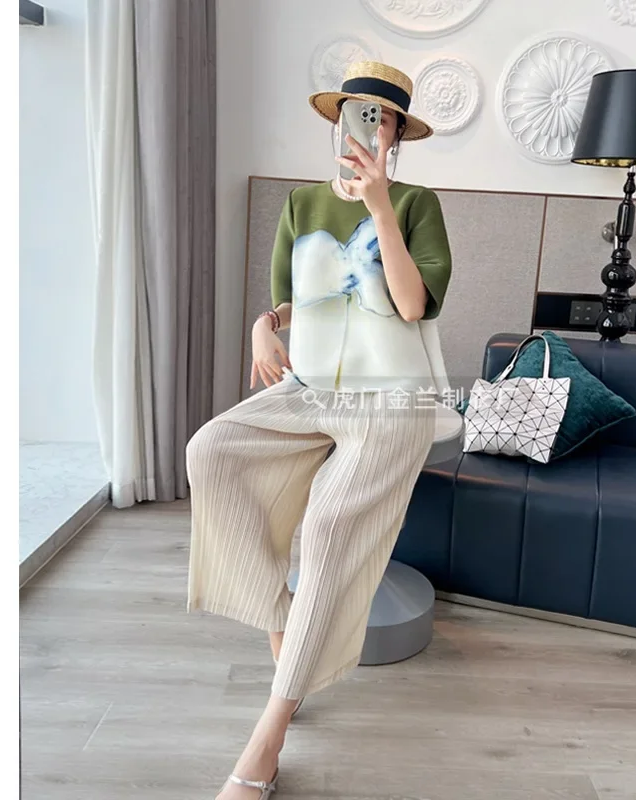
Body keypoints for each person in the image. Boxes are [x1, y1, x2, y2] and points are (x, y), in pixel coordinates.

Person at [186, 61, 453, 799]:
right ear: (337, 123)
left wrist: (381, 208)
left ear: (397, 135)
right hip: (309, 390)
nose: (368, 126)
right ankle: (285, 633)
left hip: (392, 400)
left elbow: (410, 305)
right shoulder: (301, 204)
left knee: (329, 529)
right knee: (211, 451)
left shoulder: (418, 204)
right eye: (356, 112)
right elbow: (295, 304)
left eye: (382, 117)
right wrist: (261, 327)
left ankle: (270, 732)